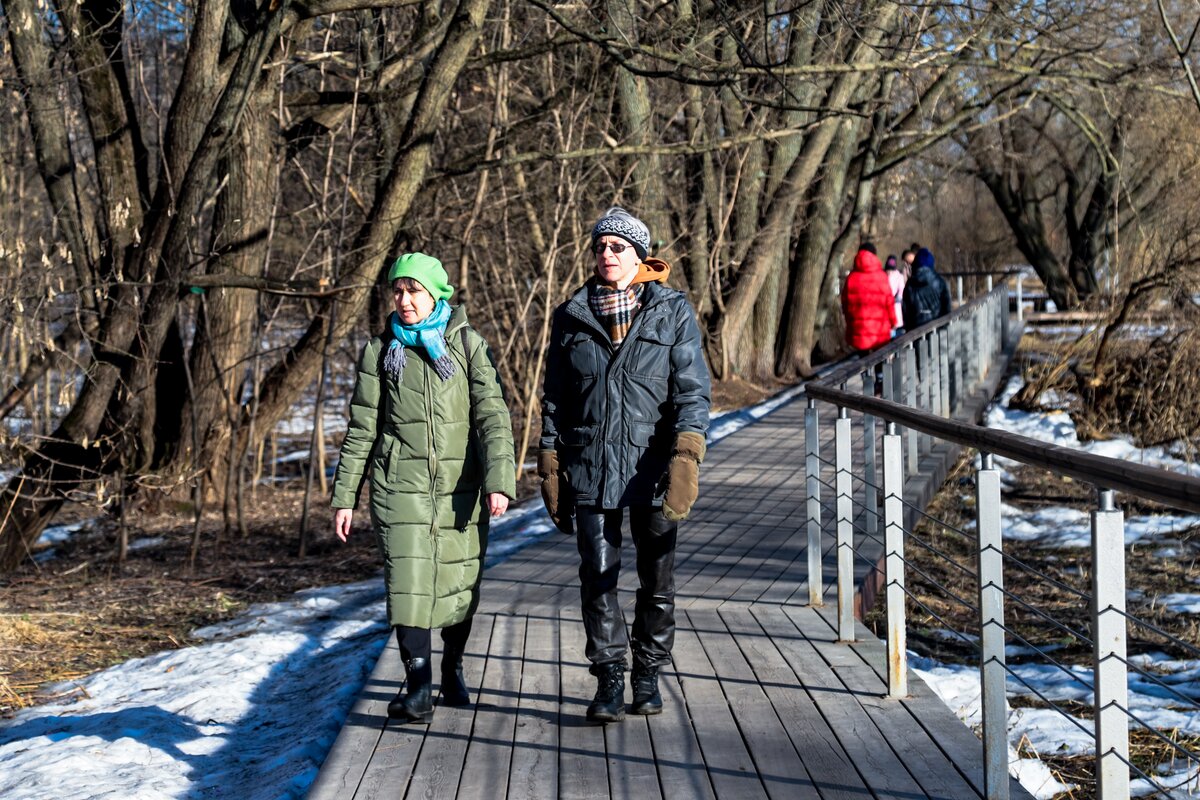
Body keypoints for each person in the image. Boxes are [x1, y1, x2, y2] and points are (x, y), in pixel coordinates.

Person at [539, 207, 711, 724]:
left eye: (618, 247)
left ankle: (648, 673)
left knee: (657, 578)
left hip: (653, 467)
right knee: (597, 573)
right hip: (589, 462)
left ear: (640, 254)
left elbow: (692, 392)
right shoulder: (570, 315)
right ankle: (610, 674)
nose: (606, 255)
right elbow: (554, 398)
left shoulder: (671, 311)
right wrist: (549, 463)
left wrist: (686, 457)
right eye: (600, 247)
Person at [330, 252, 515, 724]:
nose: (404, 299)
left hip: (460, 487)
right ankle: (418, 685)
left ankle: (451, 668)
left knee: (457, 584)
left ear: (436, 294)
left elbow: (493, 417)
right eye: (397, 290)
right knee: (408, 585)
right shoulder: (380, 351)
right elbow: (362, 428)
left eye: (414, 290)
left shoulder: (467, 345)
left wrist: (499, 481)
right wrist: (345, 496)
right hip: (399, 487)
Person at [841, 242, 897, 355]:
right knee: (881, 364)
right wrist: (893, 321)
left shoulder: (851, 278)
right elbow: (889, 302)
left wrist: (850, 324)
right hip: (880, 331)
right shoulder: (881, 276)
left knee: (863, 364)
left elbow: (845, 306)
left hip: (859, 331)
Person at [902, 246, 952, 330]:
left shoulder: (910, 284)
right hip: (937, 330)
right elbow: (947, 308)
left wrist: (908, 327)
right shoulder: (939, 282)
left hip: (915, 331)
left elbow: (905, 310)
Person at [884, 254, 907, 337]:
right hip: (885, 308)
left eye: (891, 270)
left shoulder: (899, 277)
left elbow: (901, 290)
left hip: (896, 308)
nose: (889, 272)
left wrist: (896, 298)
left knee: (896, 331)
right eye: (888, 270)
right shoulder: (883, 276)